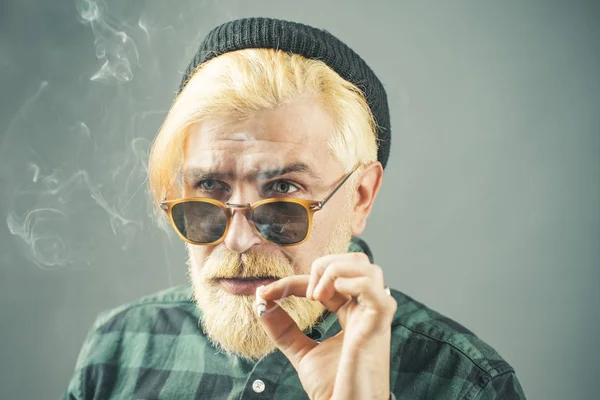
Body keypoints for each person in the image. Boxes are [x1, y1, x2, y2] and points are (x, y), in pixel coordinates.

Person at [63, 17, 526, 399]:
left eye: (283, 191)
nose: (239, 240)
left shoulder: (467, 384)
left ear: (361, 195)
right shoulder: (118, 350)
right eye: (209, 186)